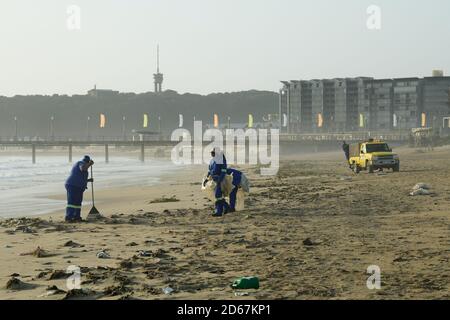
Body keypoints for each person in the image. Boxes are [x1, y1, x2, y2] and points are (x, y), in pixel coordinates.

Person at [65, 155, 94, 222]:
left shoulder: (85, 167)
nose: (87, 164)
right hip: (72, 185)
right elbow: (82, 168)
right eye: (87, 162)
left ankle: (76, 217)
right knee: (72, 202)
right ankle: (68, 217)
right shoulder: (80, 163)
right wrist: (89, 164)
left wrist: (89, 180)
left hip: (79, 187)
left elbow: (81, 178)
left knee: (78, 203)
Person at [204, 147, 230, 217]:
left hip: (220, 179)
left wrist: (220, 179)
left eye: (213, 153)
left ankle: (219, 211)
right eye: (211, 153)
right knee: (218, 196)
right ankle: (226, 207)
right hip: (214, 179)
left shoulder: (221, 159)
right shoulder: (212, 160)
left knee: (218, 195)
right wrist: (206, 179)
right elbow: (210, 170)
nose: (212, 154)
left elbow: (224, 170)